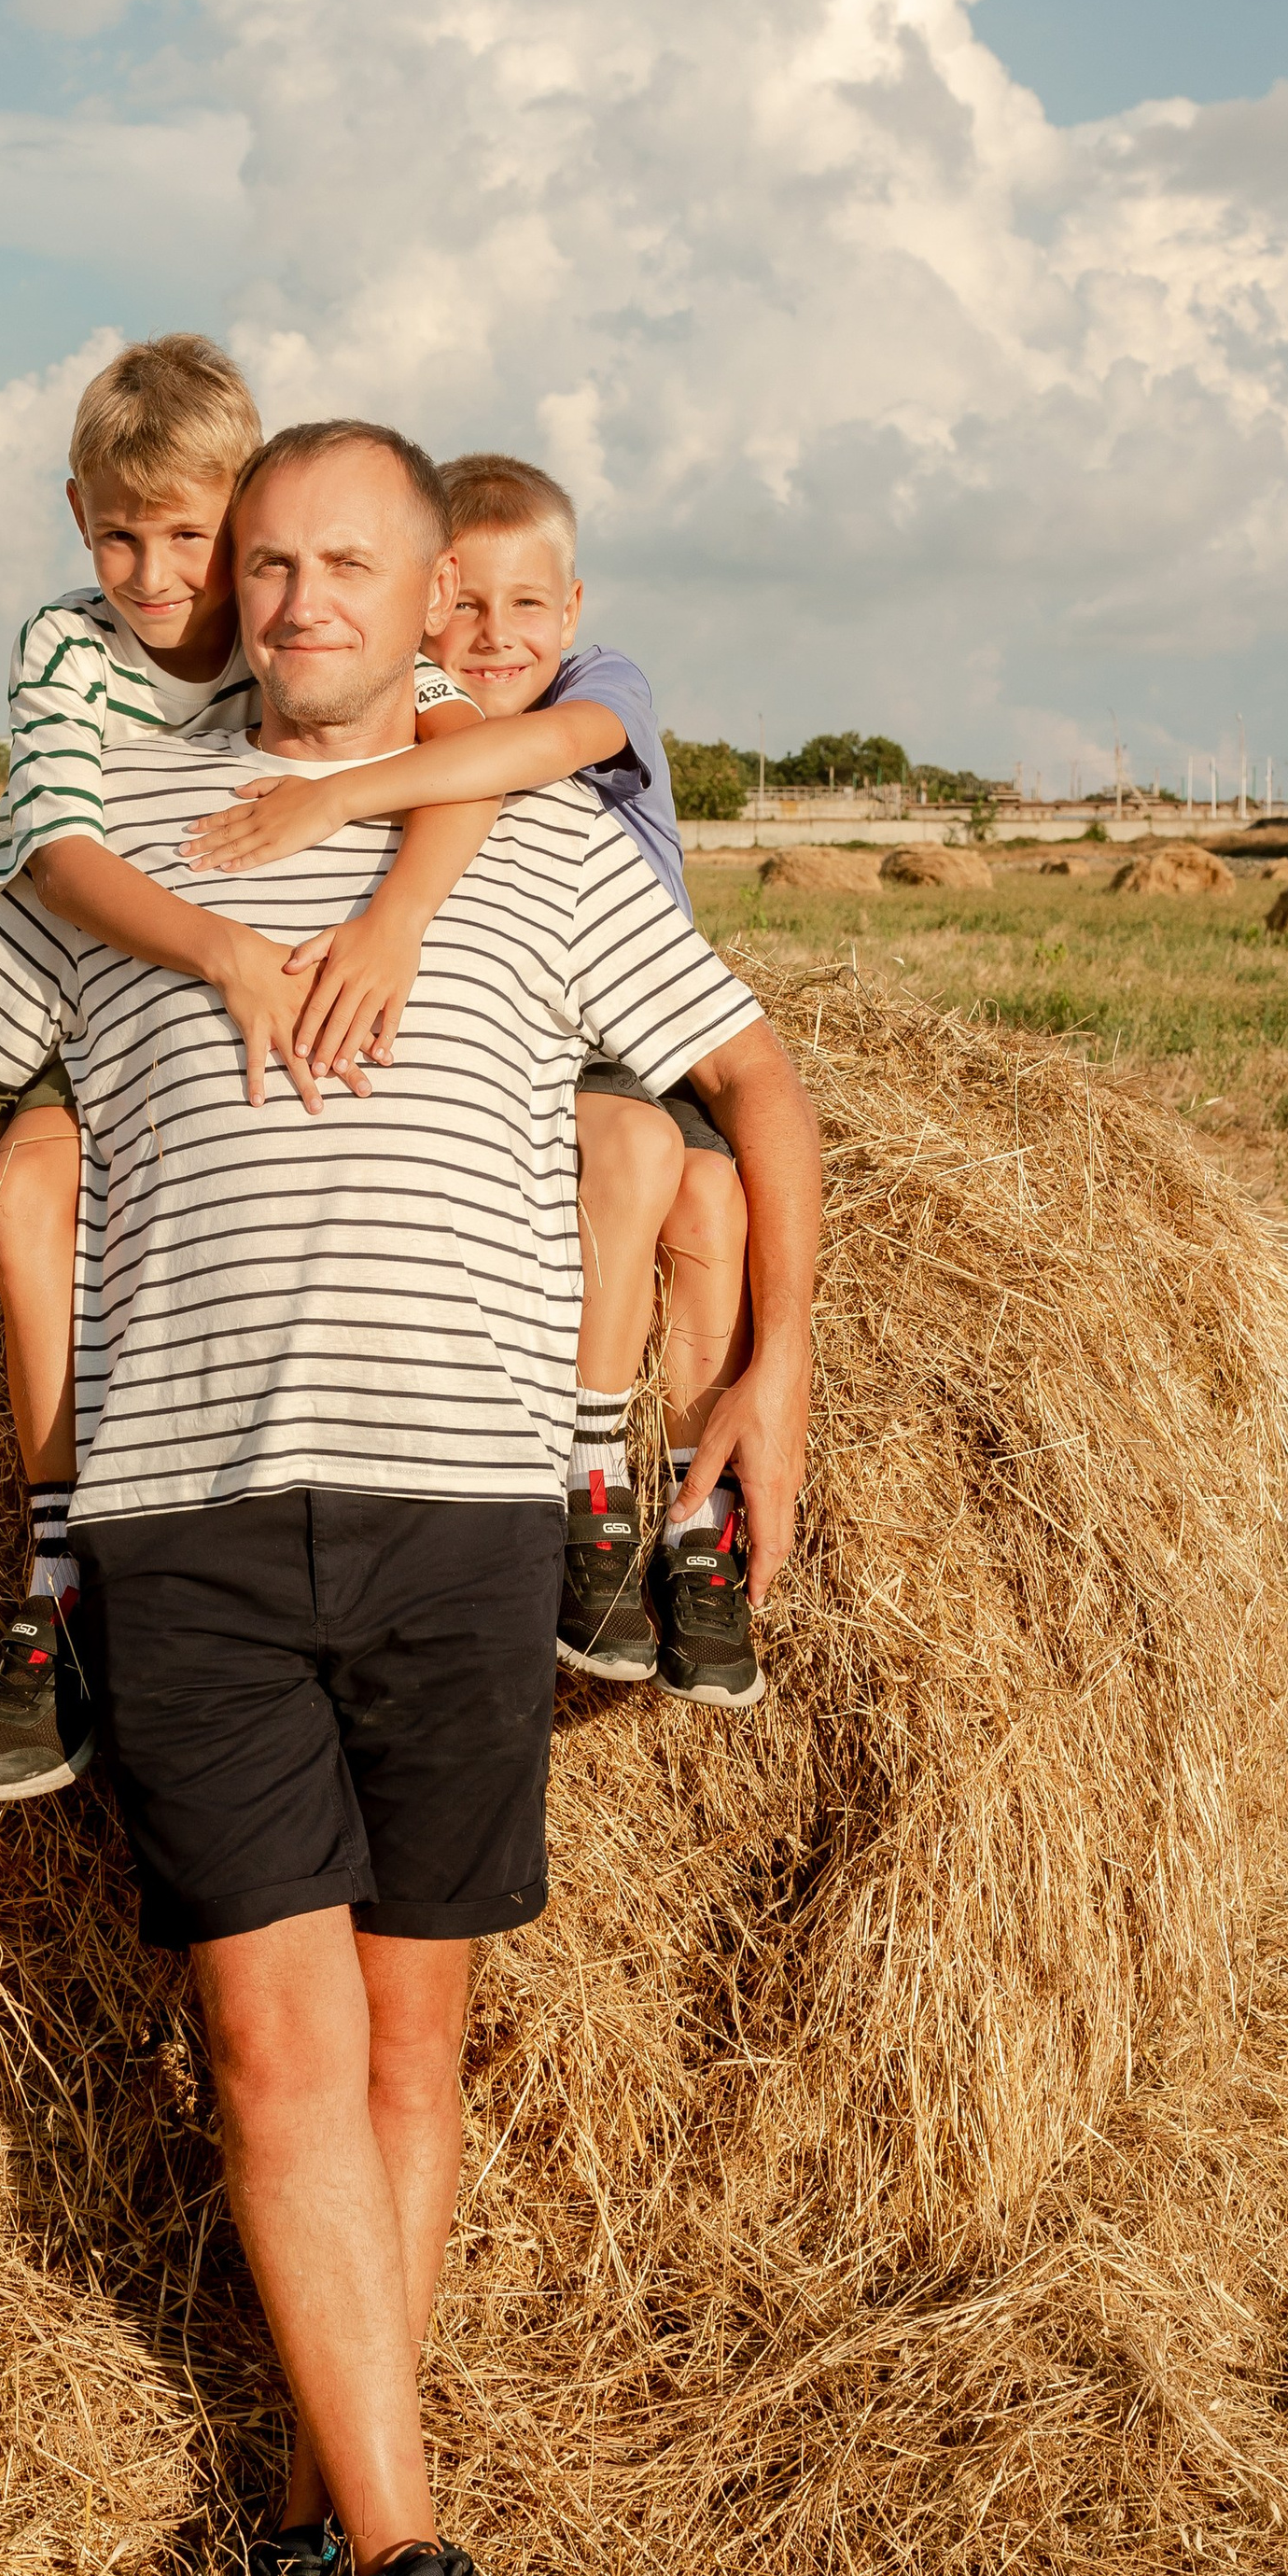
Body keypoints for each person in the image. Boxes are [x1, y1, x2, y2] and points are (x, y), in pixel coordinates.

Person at [0, 421, 821, 2576]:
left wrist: (775, 1358)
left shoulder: (533, 835)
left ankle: (337, 2511)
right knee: (271, 2055)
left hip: (463, 1520)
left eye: (349, 563)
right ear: (223, 585)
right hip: (188, 1520)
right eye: (265, 562)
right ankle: (417, 2571)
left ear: (433, 585)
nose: (299, 597)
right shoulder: (117, 834)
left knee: (414, 2055)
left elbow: (752, 1080)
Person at [0, 332, 498, 1822]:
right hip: (61, 941)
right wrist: (224, 949)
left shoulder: (316, 642)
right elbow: (58, 855)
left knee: (34, 1194)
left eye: (194, 539)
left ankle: (59, 1579)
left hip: (120, 1025)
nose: (158, 577)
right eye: (119, 535)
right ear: (75, 517)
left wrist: (388, 886)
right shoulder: (69, 649)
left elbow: (499, 744)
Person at [183, 449, 752, 1701]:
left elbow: (519, 757)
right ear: (427, 594)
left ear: (575, 607)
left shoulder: (600, 690)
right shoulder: (410, 683)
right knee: (641, 1164)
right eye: (466, 604)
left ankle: (688, 1519)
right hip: (543, 1038)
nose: (497, 635)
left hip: (635, 1023)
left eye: (529, 605)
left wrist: (338, 803)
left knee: (702, 1197)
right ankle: (590, 1485)